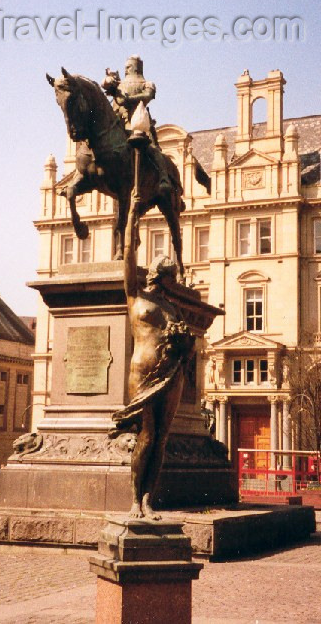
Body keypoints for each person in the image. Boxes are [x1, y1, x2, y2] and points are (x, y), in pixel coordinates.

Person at [111, 189, 195, 519]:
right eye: (166, 275)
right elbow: (129, 252)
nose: (169, 281)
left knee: (161, 440)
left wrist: (185, 344)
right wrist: (132, 215)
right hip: (143, 374)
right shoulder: (136, 296)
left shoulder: (174, 307)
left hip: (171, 374)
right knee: (145, 436)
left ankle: (148, 498)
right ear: (156, 275)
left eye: (172, 276)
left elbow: (188, 345)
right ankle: (134, 499)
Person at [102, 56, 171, 194]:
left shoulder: (147, 83)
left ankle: (164, 178)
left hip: (139, 123)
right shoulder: (120, 84)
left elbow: (148, 95)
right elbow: (105, 85)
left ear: (135, 68)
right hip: (119, 124)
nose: (125, 70)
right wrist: (109, 79)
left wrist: (129, 99)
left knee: (153, 149)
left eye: (128, 67)